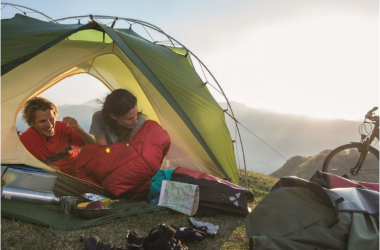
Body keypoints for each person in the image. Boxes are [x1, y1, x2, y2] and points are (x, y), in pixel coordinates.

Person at [19, 97, 95, 176]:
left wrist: (80, 130)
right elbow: (21, 165)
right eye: (42, 121)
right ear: (31, 123)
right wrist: (44, 169)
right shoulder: (25, 140)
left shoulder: (63, 127)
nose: (49, 125)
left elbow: (94, 146)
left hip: (82, 168)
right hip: (59, 180)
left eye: (51, 119)